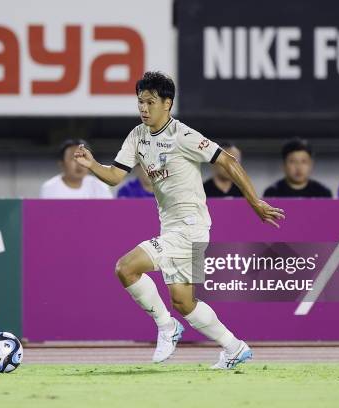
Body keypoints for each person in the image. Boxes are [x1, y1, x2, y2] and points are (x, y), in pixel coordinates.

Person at [73, 71, 284, 369]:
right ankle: (234, 347)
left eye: (150, 102)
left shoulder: (183, 135)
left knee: (125, 268)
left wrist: (254, 201)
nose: (143, 108)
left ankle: (166, 327)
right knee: (184, 303)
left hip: (191, 227)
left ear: (167, 103)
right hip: (176, 228)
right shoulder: (137, 136)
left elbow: (227, 160)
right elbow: (115, 176)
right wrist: (92, 164)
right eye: (140, 102)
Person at [40, 139, 113, 199]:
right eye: (74, 159)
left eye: (84, 158)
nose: (80, 163)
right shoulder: (50, 188)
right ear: (62, 163)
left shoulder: (100, 186)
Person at [264, 138, 332, 198]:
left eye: (303, 161)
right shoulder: (272, 193)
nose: (299, 167)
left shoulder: (323, 193)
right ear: (284, 165)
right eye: (293, 161)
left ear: (311, 165)